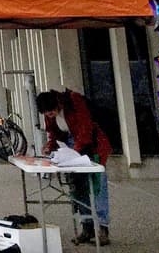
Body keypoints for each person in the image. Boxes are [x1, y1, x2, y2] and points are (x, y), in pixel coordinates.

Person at [37, 89, 113, 246]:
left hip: (91, 145)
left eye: (51, 113)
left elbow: (86, 128)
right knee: (77, 188)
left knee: (98, 185)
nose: (50, 116)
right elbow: (53, 133)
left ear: (57, 104)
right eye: (47, 114)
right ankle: (87, 227)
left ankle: (103, 228)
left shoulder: (73, 100)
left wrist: (75, 152)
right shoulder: (49, 113)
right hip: (70, 148)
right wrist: (50, 146)